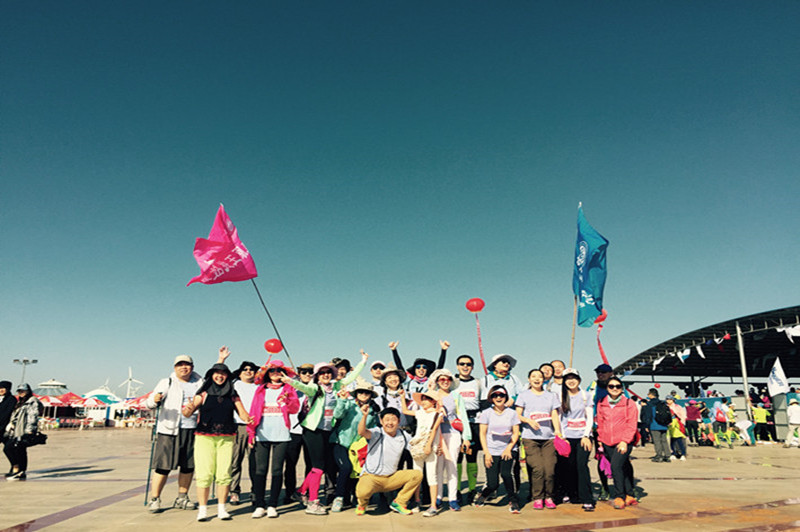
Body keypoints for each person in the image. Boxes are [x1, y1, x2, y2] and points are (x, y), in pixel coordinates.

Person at [284, 350, 368, 515]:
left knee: (320, 466)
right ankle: (313, 502)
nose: (326, 375)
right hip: (313, 430)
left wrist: (363, 361)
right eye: (322, 373)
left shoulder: (336, 387)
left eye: (328, 372)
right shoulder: (315, 388)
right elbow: (303, 387)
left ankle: (301, 491)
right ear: (317, 375)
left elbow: (350, 378)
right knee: (318, 467)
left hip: (327, 431)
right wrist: (290, 381)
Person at [182, 360, 253, 521]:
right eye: (217, 373)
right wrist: (188, 408)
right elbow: (187, 413)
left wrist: (250, 419)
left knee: (224, 474)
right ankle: (203, 510)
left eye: (223, 374)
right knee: (204, 474)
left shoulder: (233, 394)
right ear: (211, 375)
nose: (220, 376)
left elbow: (243, 413)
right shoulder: (203, 393)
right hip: (204, 437)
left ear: (227, 377)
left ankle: (222, 509)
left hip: (226, 438)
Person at [145, 354, 206, 512]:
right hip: (169, 430)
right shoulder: (167, 382)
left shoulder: (200, 383)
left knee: (188, 466)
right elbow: (149, 403)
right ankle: (155, 499)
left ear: (192, 367)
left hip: (193, 429)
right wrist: (155, 400)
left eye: (187, 364)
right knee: (163, 467)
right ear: (175, 367)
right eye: (180, 365)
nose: (184, 367)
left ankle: (182, 497)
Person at [247, 360, 300, 518]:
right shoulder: (261, 389)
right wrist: (251, 433)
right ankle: (259, 504)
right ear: (267, 374)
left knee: (277, 470)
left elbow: (295, 408)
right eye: (272, 370)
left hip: (281, 434)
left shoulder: (288, 388)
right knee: (260, 469)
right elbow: (253, 411)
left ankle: (272, 504)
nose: (275, 373)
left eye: (278, 370)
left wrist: (287, 400)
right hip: (262, 433)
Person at [355, 406, 423, 516]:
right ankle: (362, 504)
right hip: (371, 477)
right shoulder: (377, 432)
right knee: (362, 492)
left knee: (417, 475)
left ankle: (399, 503)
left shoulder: (404, 435)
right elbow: (361, 432)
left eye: (393, 419)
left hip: (391, 478)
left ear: (399, 421)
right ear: (381, 421)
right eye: (387, 420)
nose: (390, 423)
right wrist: (364, 416)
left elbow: (416, 447)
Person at [515, 369, 562, 510]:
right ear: (529, 379)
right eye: (533, 376)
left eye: (540, 377)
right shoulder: (523, 395)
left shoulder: (551, 396)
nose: (537, 379)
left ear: (544, 379)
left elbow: (554, 414)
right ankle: (538, 497)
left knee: (550, 469)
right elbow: (517, 415)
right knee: (538, 469)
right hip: (530, 438)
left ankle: (549, 496)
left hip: (548, 438)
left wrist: (557, 431)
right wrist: (528, 421)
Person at [330, 381, 378, 512]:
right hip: (341, 443)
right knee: (346, 467)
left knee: (357, 471)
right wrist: (342, 400)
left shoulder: (372, 411)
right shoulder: (349, 404)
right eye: (361, 392)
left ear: (371, 395)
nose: (364, 394)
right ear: (356, 393)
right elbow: (337, 414)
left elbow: (372, 428)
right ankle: (339, 497)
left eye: (367, 392)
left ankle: (356, 497)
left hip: (358, 447)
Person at [428, 368, 471, 511]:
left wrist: (466, 437)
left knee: (452, 466)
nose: (445, 382)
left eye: (448, 379)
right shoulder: (432, 395)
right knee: (438, 467)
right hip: (437, 433)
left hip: (453, 433)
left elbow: (463, 416)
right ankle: (438, 497)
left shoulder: (456, 396)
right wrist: (430, 390)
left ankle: (452, 498)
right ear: (437, 381)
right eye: (442, 379)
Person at [473, 385, 521, 513]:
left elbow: (515, 433)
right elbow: (482, 434)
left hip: (508, 449)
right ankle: (483, 495)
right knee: (492, 483)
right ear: (491, 398)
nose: (498, 398)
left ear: (506, 397)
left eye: (501, 395)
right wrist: (487, 453)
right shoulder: (486, 413)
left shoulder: (512, 413)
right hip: (491, 450)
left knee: (506, 474)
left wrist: (509, 448)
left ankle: (513, 500)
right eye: (495, 395)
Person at [595, 377, 638, 509]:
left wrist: (625, 441)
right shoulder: (601, 403)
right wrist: (600, 439)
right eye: (611, 386)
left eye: (617, 386)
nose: (614, 388)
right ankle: (629, 494)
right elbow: (600, 422)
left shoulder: (629, 403)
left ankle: (619, 495)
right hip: (607, 441)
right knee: (623, 466)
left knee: (615, 466)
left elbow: (632, 424)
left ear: (622, 388)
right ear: (607, 388)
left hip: (624, 441)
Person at [401, 389, 444, 517]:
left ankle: (433, 505)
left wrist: (429, 445)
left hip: (430, 447)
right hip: (418, 447)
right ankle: (417, 501)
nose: (424, 401)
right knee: (417, 475)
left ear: (433, 401)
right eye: (423, 399)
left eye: (427, 399)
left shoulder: (438, 414)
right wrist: (403, 397)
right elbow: (405, 411)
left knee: (432, 476)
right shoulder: (420, 413)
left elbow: (434, 430)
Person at [559, 368, 595, 511]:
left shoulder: (586, 395)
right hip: (567, 436)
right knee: (569, 466)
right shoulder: (560, 396)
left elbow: (590, 417)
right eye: (568, 378)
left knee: (582, 466)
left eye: (574, 378)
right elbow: (560, 418)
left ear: (579, 380)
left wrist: (586, 436)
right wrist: (563, 437)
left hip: (583, 437)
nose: (571, 381)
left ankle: (587, 498)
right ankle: (571, 493)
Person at [283, 362, 314, 504]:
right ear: (299, 374)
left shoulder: (316, 388)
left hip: (310, 430)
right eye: (304, 372)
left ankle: (306, 491)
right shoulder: (291, 388)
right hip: (293, 431)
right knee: (290, 463)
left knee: (310, 464)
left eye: (310, 372)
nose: (307, 374)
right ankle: (289, 492)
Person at [229, 360, 258, 505]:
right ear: (239, 373)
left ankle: (255, 491)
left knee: (255, 463)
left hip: (256, 428)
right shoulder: (234, 385)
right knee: (235, 462)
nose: (248, 371)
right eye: (245, 369)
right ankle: (234, 491)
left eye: (251, 369)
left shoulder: (260, 387)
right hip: (237, 427)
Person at [454, 354, 482, 503]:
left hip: (474, 422)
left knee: (472, 456)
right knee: (457, 457)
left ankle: (472, 489)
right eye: (462, 364)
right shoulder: (453, 382)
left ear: (472, 367)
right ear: (457, 366)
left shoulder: (478, 383)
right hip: (457, 424)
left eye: (468, 364)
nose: (465, 366)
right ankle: (457, 490)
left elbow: (484, 402)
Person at [3, 383, 40, 481]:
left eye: (23, 391)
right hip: (17, 429)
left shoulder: (32, 401)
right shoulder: (20, 402)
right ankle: (19, 470)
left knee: (11, 448)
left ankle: (19, 470)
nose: (21, 393)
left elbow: (33, 417)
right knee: (18, 450)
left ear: (28, 391)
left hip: (24, 430)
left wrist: (29, 431)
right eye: (19, 391)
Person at [641, 388, 670, 462]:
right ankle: (667, 456)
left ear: (651, 394)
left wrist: (646, 426)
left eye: (648, 394)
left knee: (657, 441)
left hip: (654, 425)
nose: (648, 395)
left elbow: (648, 416)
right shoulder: (662, 403)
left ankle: (659, 456)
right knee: (664, 440)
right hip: (664, 425)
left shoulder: (650, 404)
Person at [0, 380, 17, 473]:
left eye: (3, 388)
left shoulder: (11, 399)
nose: (1, 390)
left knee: (8, 449)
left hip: (6, 429)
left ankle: (15, 465)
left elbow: (6, 415)